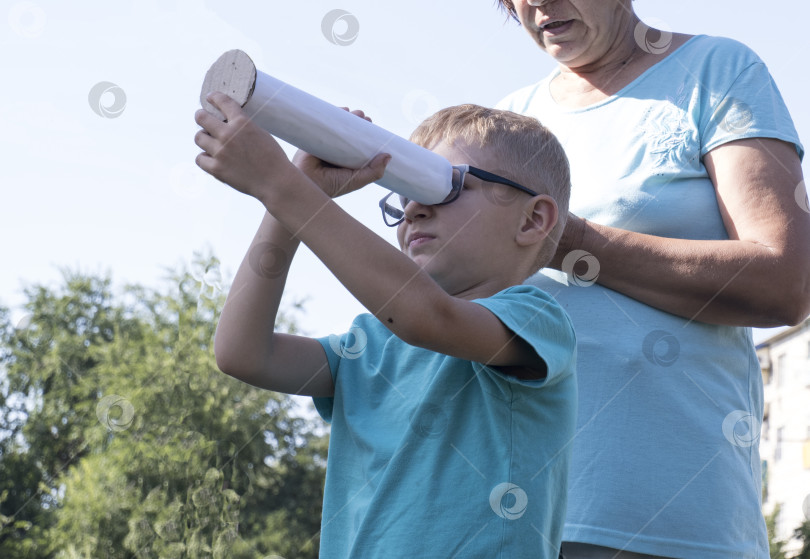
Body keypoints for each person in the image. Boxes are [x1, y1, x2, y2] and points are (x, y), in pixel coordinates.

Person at [194, 95, 578, 558]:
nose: (414, 206)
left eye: (441, 185)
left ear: (533, 219)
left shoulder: (535, 318)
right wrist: (286, 203)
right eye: (403, 192)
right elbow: (242, 353)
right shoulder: (368, 344)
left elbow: (426, 317)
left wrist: (280, 185)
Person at [493, 1, 810, 558]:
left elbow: (788, 283)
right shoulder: (505, 123)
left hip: (678, 525)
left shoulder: (718, 70)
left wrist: (568, 242)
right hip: (518, 521)